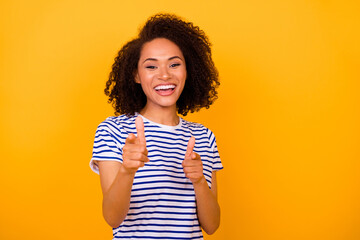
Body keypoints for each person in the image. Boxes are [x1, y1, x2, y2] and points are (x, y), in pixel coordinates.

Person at [90, 13, 223, 239]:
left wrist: (200, 181)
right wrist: (127, 171)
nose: (164, 75)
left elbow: (211, 225)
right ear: (136, 75)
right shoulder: (113, 131)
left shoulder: (203, 136)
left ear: (187, 71)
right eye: (151, 67)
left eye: (174, 64)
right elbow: (112, 217)